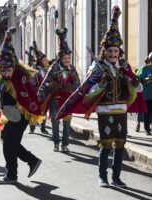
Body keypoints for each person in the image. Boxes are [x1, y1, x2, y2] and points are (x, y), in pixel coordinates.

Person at [56, 6, 144, 188]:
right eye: (110, 51)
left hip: (121, 110)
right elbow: (88, 90)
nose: (113, 54)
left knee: (120, 146)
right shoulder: (97, 68)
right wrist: (102, 84)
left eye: (116, 51)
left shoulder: (123, 67)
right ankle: (102, 177)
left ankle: (116, 177)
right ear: (105, 52)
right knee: (106, 145)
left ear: (119, 52)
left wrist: (133, 79)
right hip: (105, 112)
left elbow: (138, 88)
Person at [0, 28, 44, 184]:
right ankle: (30, 162)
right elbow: (1, 95)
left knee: (9, 144)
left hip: (20, 116)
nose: (5, 73)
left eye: (8, 70)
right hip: (9, 115)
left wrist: (17, 112)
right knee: (7, 141)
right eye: (2, 70)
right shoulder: (1, 77)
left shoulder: (19, 78)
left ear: (13, 67)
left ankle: (13, 174)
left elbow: (26, 97)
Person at [38, 27, 80, 152]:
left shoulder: (72, 69)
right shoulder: (54, 68)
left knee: (67, 123)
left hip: (68, 99)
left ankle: (65, 144)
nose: (67, 61)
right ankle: (56, 142)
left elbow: (77, 83)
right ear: (60, 59)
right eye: (65, 59)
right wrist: (51, 86)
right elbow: (45, 83)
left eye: (69, 58)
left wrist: (73, 88)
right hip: (55, 99)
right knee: (56, 121)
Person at [139, 52, 152, 135]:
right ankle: (147, 129)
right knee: (147, 112)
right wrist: (148, 78)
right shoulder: (144, 69)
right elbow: (141, 80)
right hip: (147, 95)